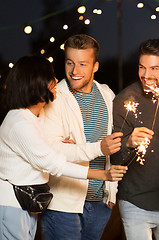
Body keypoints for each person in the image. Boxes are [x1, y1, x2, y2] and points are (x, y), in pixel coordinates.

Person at [0, 55, 127, 240]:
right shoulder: (19, 123)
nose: (55, 81)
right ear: (36, 82)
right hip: (13, 203)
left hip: (28, 201)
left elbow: (49, 146)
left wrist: (62, 144)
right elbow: (54, 163)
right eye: (50, 77)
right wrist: (102, 175)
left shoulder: (35, 115)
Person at [40, 34, 123, 240]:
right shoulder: (54, 97)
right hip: (63, 202)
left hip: (99, 202)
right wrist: (97, 148)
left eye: (83, 64)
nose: (74, 71)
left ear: (95, 66)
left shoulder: (107, 94)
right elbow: (52, 151)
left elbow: (114, 143)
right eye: (70, 63)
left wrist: (110, 191)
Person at [111, 38, 159, 240]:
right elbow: (115, 159)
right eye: (142, 67)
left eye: (154, 68)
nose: (146, 75)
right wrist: (128, 142)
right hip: (134, 201)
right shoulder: (123, 100)